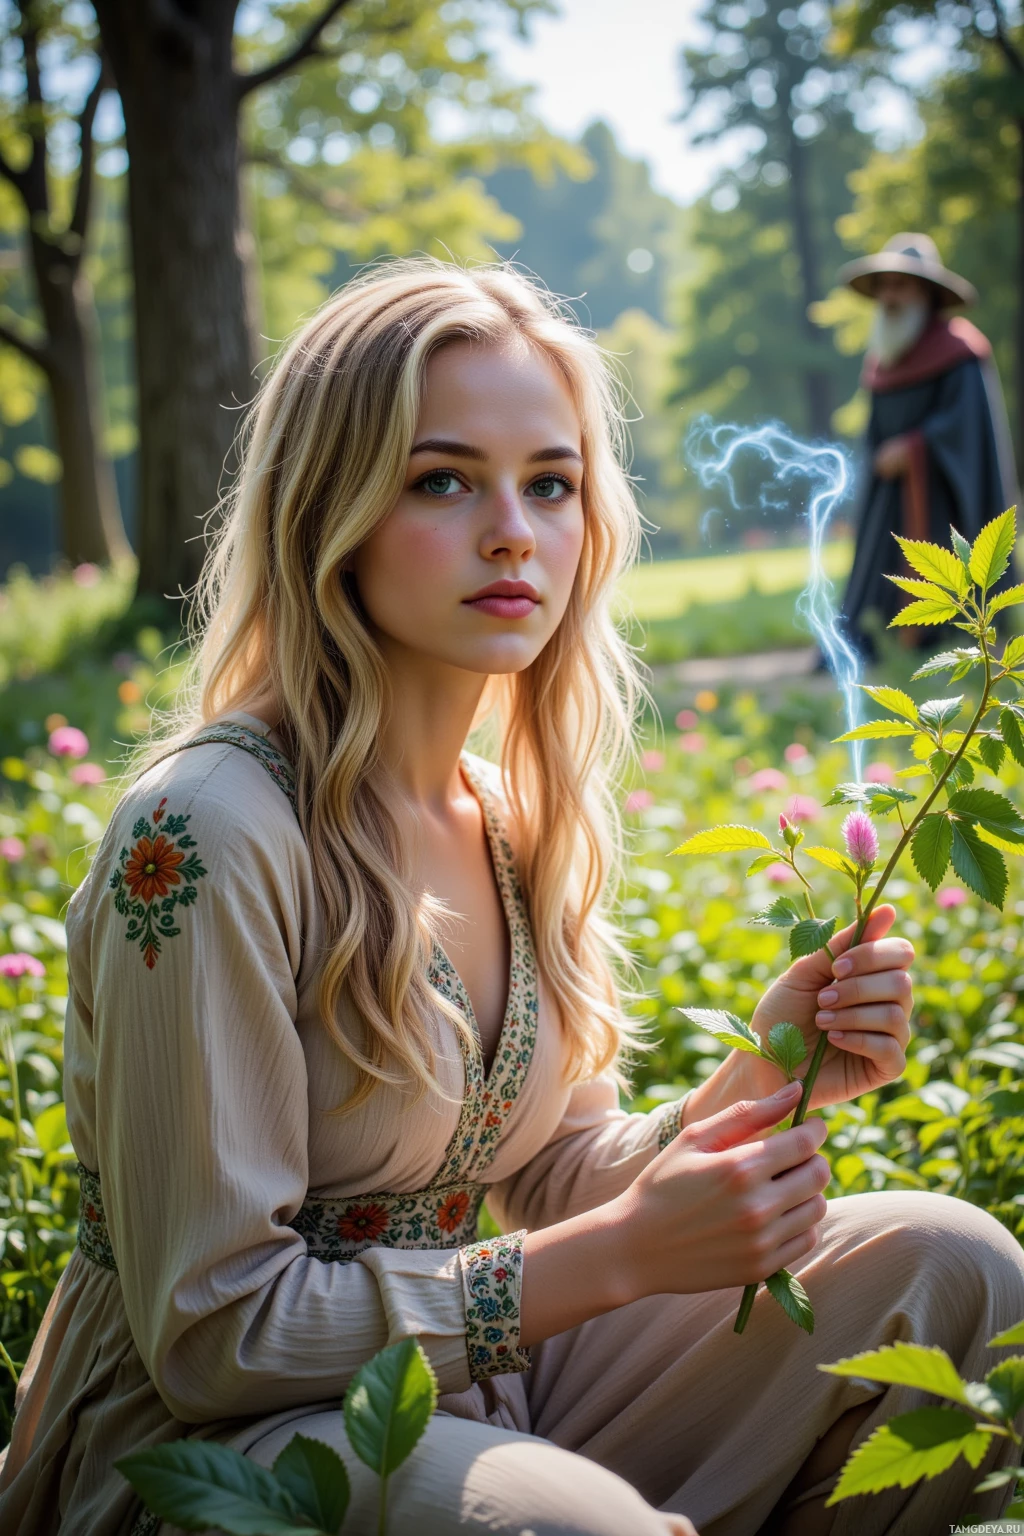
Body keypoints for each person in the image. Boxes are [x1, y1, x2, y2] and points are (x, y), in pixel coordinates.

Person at [1, 258, 1022, 1536]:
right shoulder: (206, 834)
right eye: (443, 479)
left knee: (954, 1271)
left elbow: (546, 1173)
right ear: (332, 510)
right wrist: (614, 1261)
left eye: (550, 483)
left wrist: (763, 1075)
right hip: (210, 1443)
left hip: (479, 1378)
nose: (513, 532)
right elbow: (211, 1335)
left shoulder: (508, 817)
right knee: (565, 1525)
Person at [835, 232, 1019, 661]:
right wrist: (882, 454)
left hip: (947, 496)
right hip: (891, 497)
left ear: (926, 293)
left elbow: (966, 427)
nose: (890, 296)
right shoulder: (883, 359)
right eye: (884, 286)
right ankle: (875, 639)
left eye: (901, 285)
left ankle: (950, 641)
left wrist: (915, 446)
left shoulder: (959, 351)